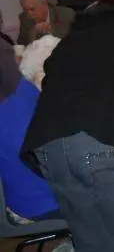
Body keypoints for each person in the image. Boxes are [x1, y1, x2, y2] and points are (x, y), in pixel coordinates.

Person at [20, 0, 114, 252]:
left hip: (48, 141)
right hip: (102, 138)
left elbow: (50, 75)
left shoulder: (71, 40)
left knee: (86, 237)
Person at [0, 37, 61, 224]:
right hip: (38, 203)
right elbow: (52, 167)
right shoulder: (26, 109)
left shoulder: (19, 94)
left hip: (25, 193)